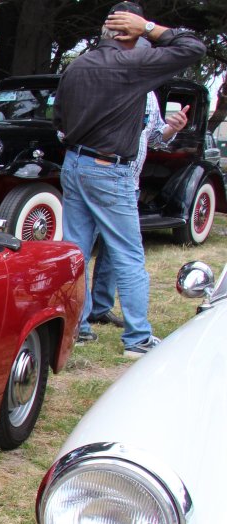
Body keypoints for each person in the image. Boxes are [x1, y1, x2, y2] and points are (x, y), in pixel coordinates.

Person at [53, 2, 204, 357]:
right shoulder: (131, 65)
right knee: (128, 254)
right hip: (109, 169)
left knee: (75, 252)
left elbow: (58, 119)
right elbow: (193, 47)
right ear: (130, 34)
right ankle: (137, 339)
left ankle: (78, 326)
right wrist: (149, 26)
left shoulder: (77, 66)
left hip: (74, 164)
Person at [88, 61, 189, 330]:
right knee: (84, 247)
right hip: (101, 175)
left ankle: (99, 308)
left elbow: (156, 136)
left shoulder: (147, 95)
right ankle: (81, 315)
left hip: (129, 182)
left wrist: (173, 127)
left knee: (114, 250)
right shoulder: (102, 86)